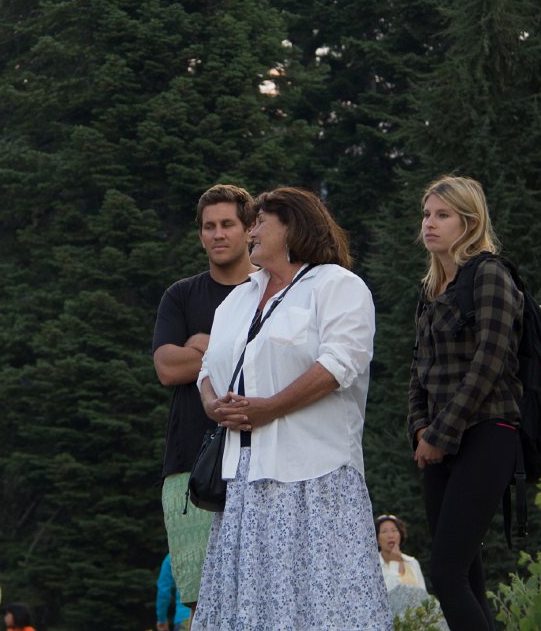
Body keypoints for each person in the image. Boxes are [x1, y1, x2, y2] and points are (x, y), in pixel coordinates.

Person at [193, 187, 390, 630]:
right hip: (243, 478)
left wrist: (270, 408)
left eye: (261, 222)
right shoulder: (240, 297)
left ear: (293, 226)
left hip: (315, 477)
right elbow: (208, 368)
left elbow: (340, 364)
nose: (252, 232)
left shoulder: (337, 285)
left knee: (324, 609)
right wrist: (212, 405)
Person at [408, 175, 521, 630]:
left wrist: (441, 432)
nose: (429, 224)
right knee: (467, 575)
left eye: (442, 215)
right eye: (426, 215)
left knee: (445, 574)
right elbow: (417, 369)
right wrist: (419, 428)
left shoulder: (491, 273)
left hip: (489, 431)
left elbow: (490, 360)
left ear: (469, 223)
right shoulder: (431, 288)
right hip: (437, 440)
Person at [152, 184, 256, 613]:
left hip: (258, 462)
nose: (217, 234)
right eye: (208, 227)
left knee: (258, 596)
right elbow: (167, 369)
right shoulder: (181, 295)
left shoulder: (269, 291)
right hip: (189, 467)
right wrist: (226, 350)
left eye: (227, 224)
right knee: (200, 603)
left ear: (249, 229)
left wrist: (202, 346)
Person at [375, 514, 426, 592]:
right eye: (384, 531)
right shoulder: (372, 565)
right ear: (377, 540)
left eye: (394, 530)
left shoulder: (412, 562)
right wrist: (394, 562)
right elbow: (387, 592)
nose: (390, 535)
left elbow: (423, 594)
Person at [156, 552, 191, 631]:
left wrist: (161, 619)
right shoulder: (210, 549)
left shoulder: (172, 556)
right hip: (213, 617)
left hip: (184, 619)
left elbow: (163, 591)